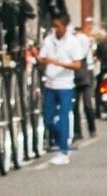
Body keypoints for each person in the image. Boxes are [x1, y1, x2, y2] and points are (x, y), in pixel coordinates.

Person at [38, 9, 89, 159]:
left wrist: (58, 63)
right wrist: (40, 59)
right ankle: (56, 137)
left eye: (58, 26)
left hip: (66, 85)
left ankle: (63, 147)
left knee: (64, 115)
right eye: (54, 26)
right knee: (47, 117)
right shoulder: (49, 39)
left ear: (65, 26)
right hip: (50, 84)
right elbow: (42, 57)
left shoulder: (73, 42)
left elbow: (77, 64)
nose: (56, 29)